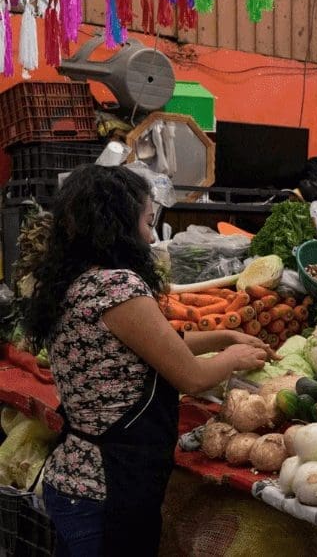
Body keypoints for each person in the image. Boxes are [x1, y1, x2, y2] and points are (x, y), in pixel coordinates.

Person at [24, 165, 273, 556]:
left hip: (77, 480)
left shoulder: (75, 279)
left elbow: (156, 343)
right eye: (146, 220)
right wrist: (233, 357)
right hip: (105, 490)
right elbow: (191, 378)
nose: (152, 234)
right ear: (117, 224)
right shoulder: (117, 286)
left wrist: (224, 335)